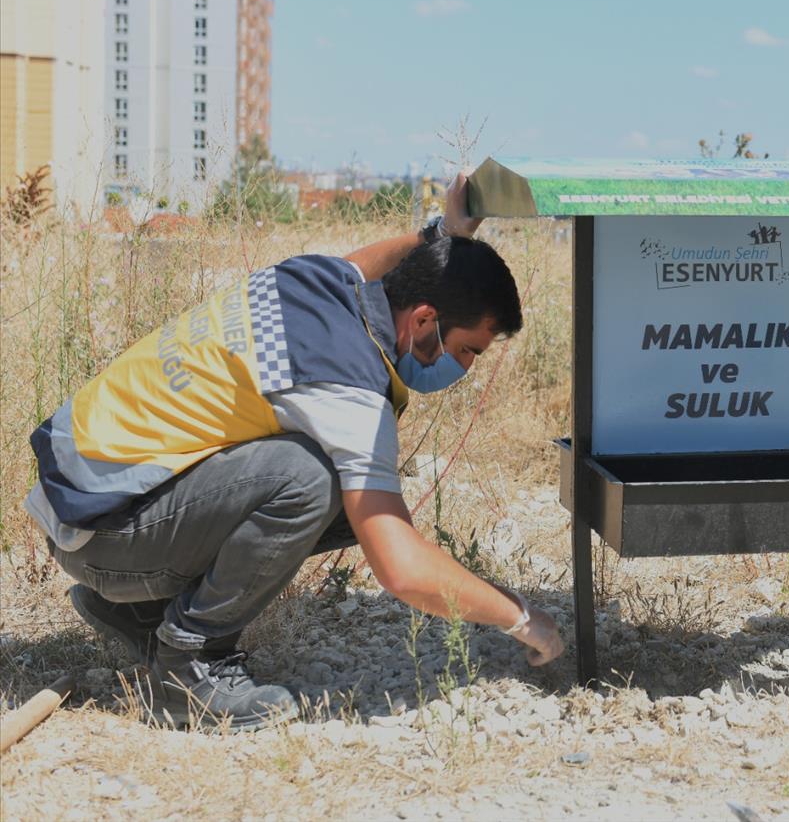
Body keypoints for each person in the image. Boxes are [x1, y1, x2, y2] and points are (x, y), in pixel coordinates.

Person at [24, 174, 564, 732]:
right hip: (104, 533)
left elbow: (378, 263)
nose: (465, 370)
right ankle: (189, 668)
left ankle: (137, 611)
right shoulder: (345, 389)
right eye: (466, 350)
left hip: (85, 502)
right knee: (315, 480)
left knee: (343, 488)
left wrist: (444, 233)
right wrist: (520, 617)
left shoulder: (317, 279)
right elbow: (401, 569)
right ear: (424, 319)